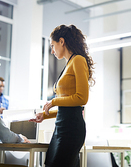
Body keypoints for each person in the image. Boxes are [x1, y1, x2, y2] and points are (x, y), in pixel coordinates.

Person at [30, 24, 95, 167]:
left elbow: (81, 99)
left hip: (71, 128)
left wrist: (54, 101)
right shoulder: (69, 63)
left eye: (53, 45)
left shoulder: (78, 60)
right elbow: (66, 107)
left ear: (62, 41)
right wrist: (45, 115)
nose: (52, 51)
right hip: (62, 126)